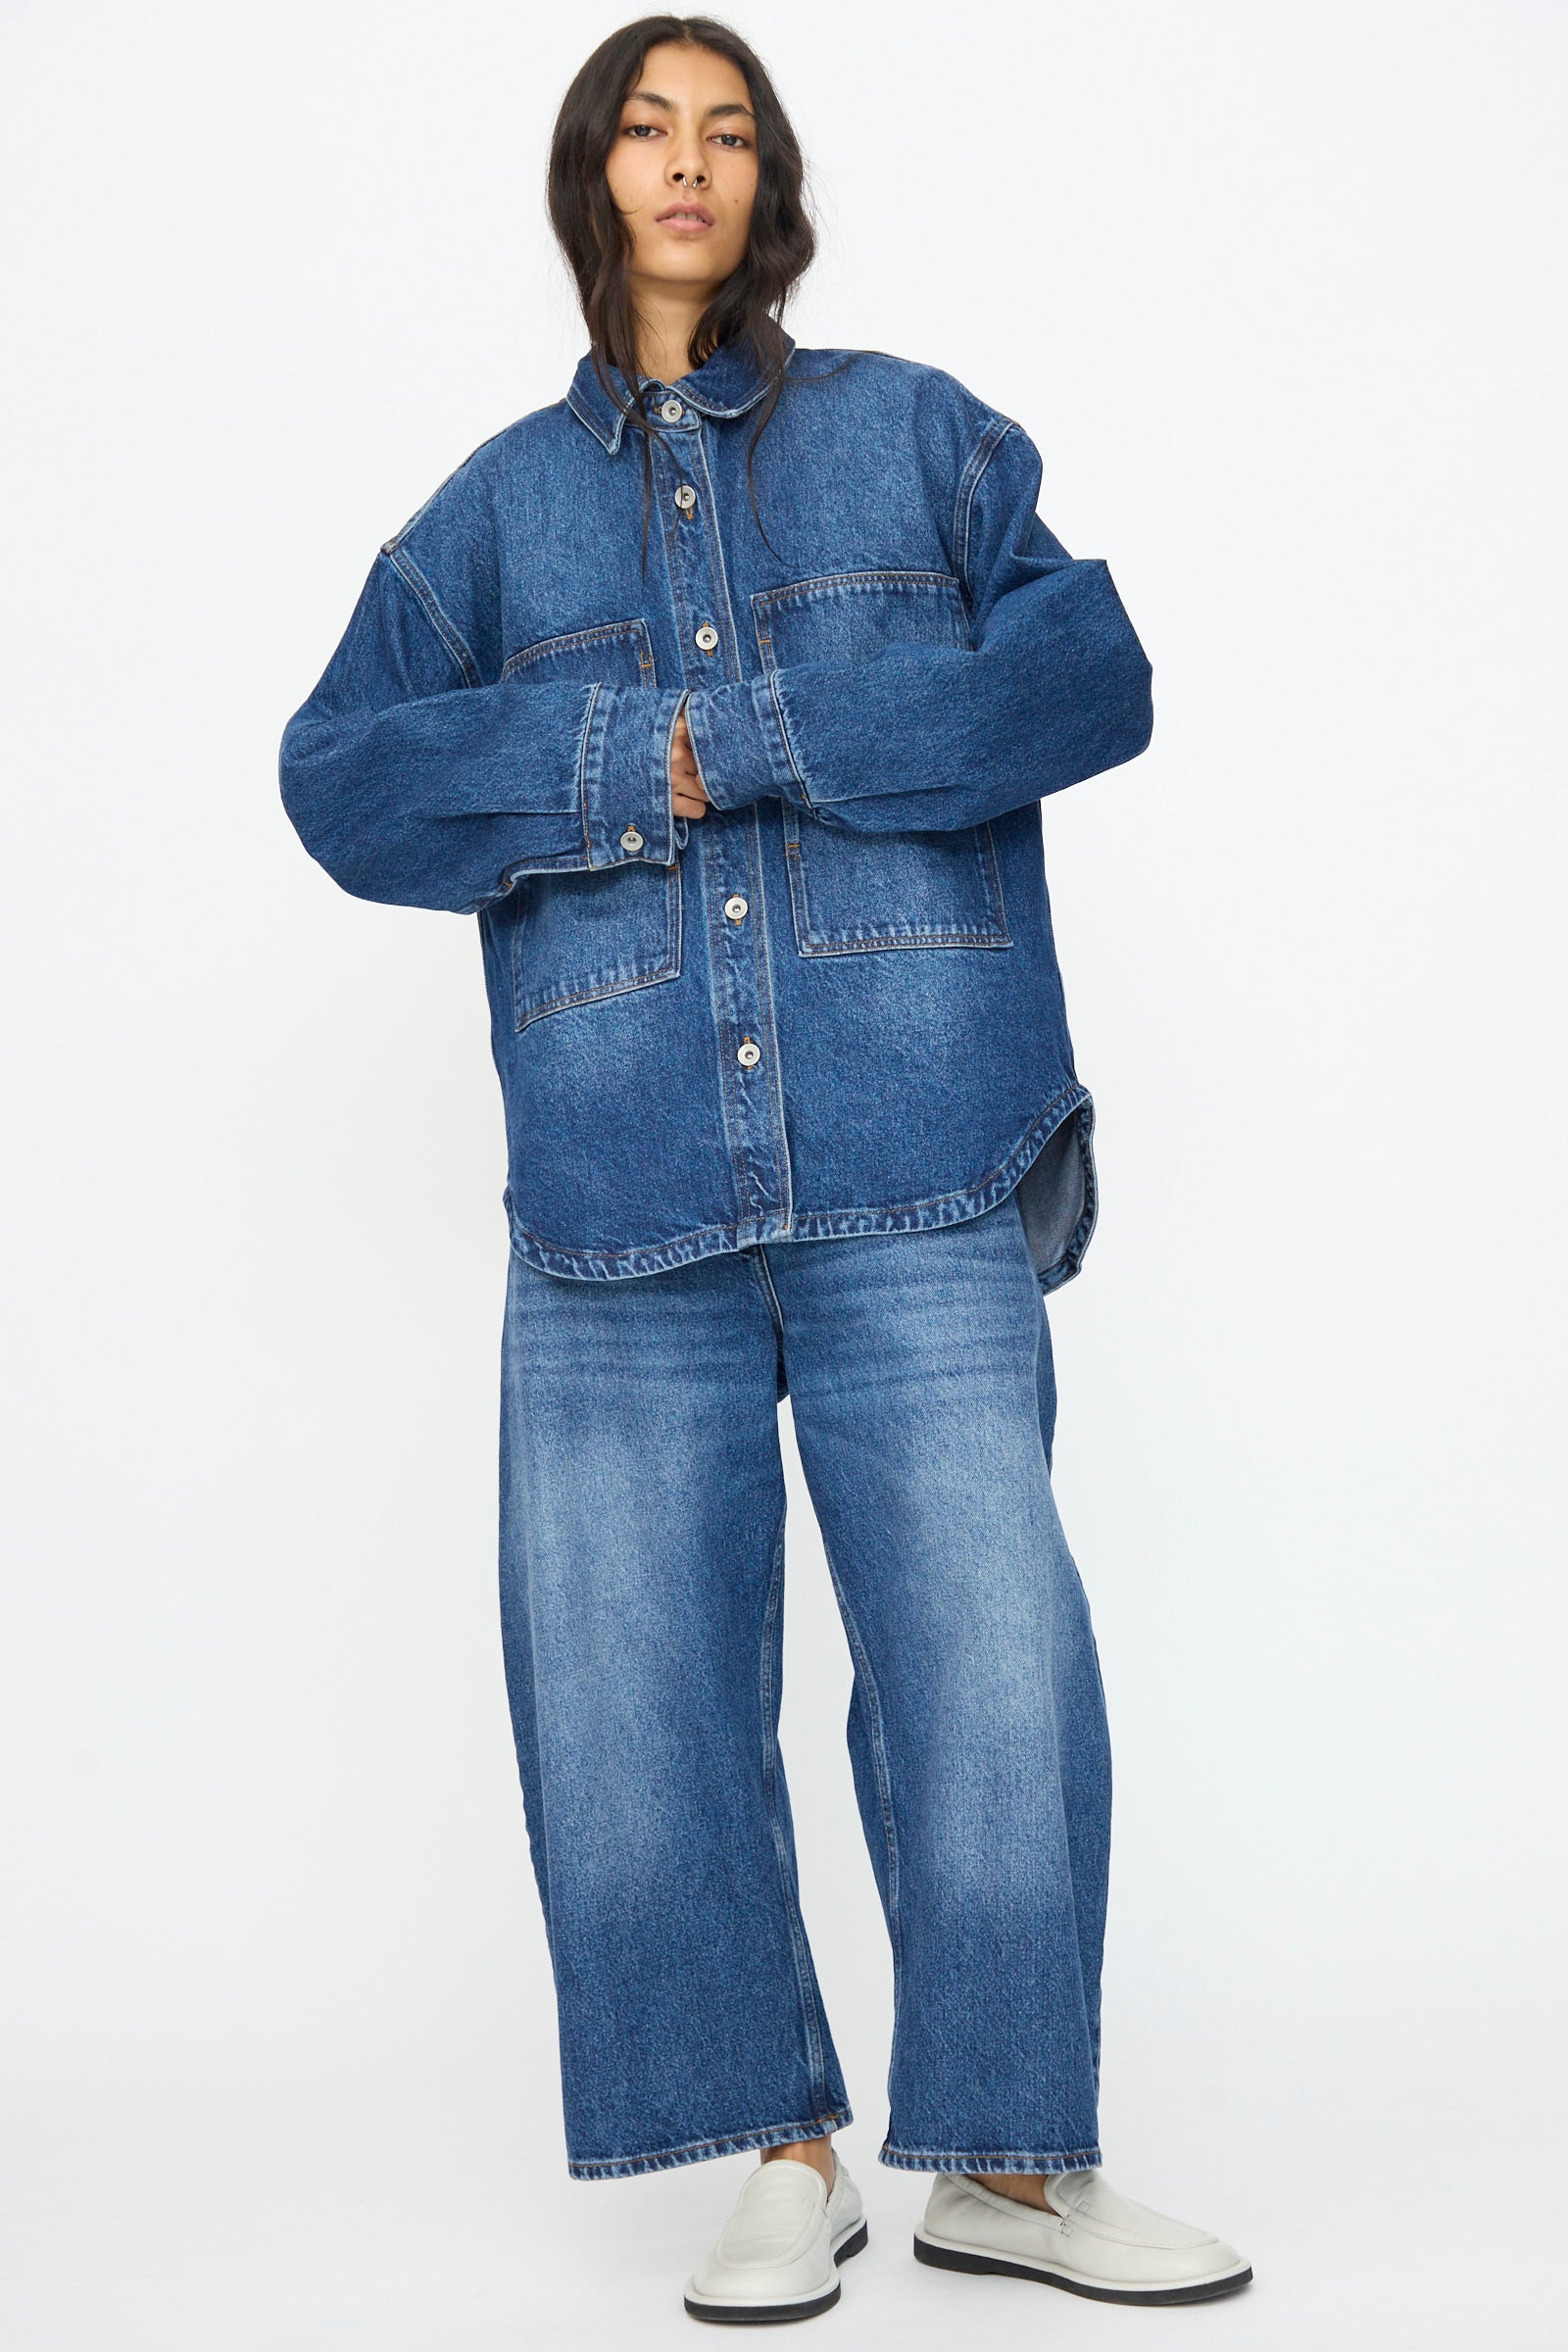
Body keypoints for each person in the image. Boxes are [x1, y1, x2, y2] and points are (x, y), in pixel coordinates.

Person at [278, 12, 1252, 2325]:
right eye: (647, 124)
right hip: (620, 1203)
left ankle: (1008, 2170)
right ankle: (783, 2150)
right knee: (634, 1698)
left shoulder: (917, 437)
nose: (686, 161)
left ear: (769, 177)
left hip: (918, 1158)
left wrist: (774, 732)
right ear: (590, 178)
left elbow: (1083, 672)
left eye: (725, 129)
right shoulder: (491, 515)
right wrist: (625, 751)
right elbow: (342, 785)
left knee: (989, 1670)